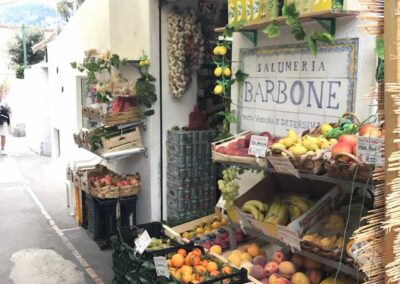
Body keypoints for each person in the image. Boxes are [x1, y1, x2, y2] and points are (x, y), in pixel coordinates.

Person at [0, 89, 11, 155]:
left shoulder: (4, 102)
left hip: (3, 121)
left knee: (3, 135)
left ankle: (2, 149)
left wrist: (7, 109)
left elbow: (10, 109)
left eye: (0, 93)